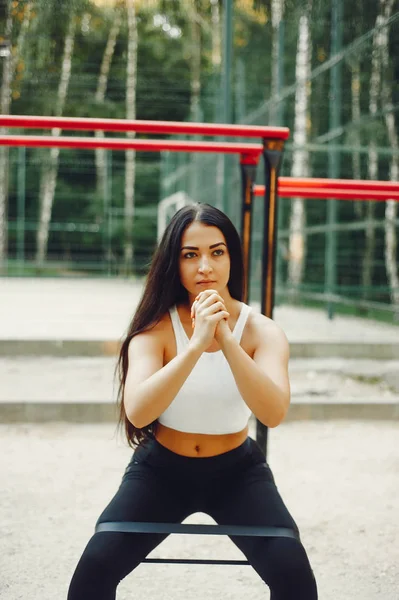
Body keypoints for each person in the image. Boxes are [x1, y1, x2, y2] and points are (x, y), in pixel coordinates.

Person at [67, 203, 318, 600]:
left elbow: (273, 412)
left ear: (232, 257)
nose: (206, 266)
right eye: (190, 254)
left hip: (237, 473)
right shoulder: (153, 330)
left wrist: (227, 342)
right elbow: (139, 410)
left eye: (217, 252)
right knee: (95, 569)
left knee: (293, 574)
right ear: (174, 263)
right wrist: (197, 345)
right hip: (162, 471)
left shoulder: (263, 331)